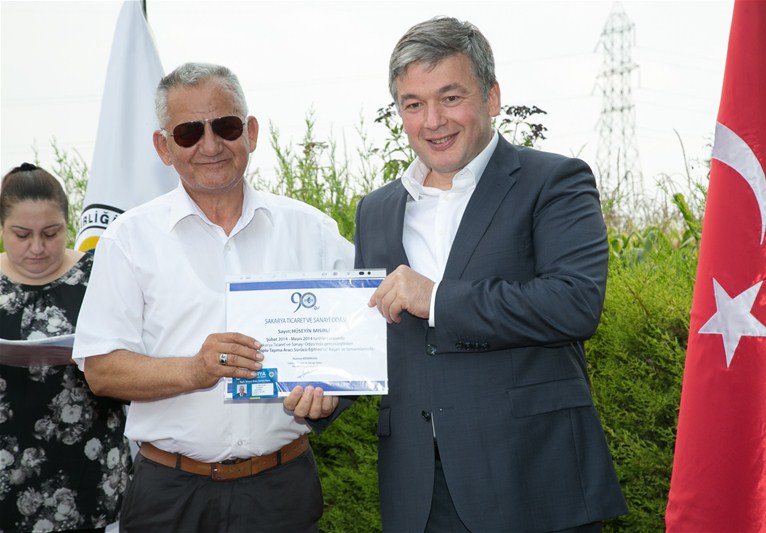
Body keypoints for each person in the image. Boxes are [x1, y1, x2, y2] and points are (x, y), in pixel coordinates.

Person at [353, 17, 629, 532]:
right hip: (421, 493)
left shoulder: (554, 181)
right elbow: (370, 334)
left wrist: (437, 299)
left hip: (533, 480)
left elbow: (574, 304)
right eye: (413, 104)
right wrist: (322, 390)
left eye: (450, 97)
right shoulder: (375, 210)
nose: (433, 120)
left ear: (492, 97)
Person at [72, 62, 353, 533]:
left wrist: (333, 392)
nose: (210, 145)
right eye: (188, 132)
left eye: (225, 126)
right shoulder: (128, 238)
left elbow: (361, 336)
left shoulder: (313, 231)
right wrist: (195, 370)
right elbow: (100, 369)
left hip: (282, 487)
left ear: (251, 132)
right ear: (163, 147)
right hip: (170, 493)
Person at [0, 163, 129, 532]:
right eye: (22, 234)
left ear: (68, 224)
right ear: (2, 228)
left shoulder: (101, 276)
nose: (37, 247)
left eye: (51, 233)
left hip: (91, 473)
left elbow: (138, 364)